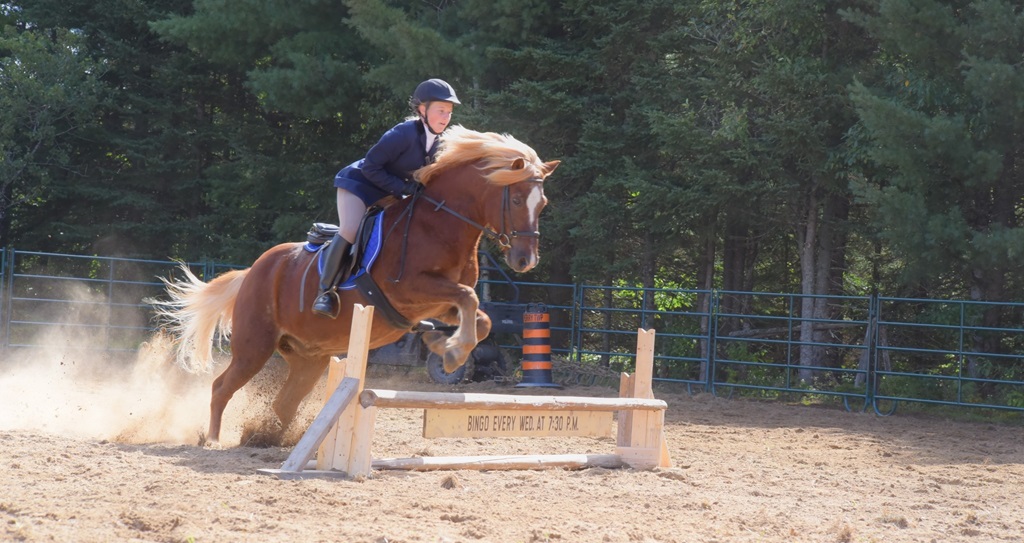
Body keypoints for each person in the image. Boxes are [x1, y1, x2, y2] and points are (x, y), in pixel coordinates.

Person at [312, 78, 461, 318]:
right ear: (422, 109)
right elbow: (371, 167)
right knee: (350, 230)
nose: (446, 117)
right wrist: (404, 188)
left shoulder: (441, 143)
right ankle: (325, 292)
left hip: (390, 192)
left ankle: (407, 304)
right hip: (359, 185)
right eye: (440, 110)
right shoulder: (403, 133)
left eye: (449, 112)